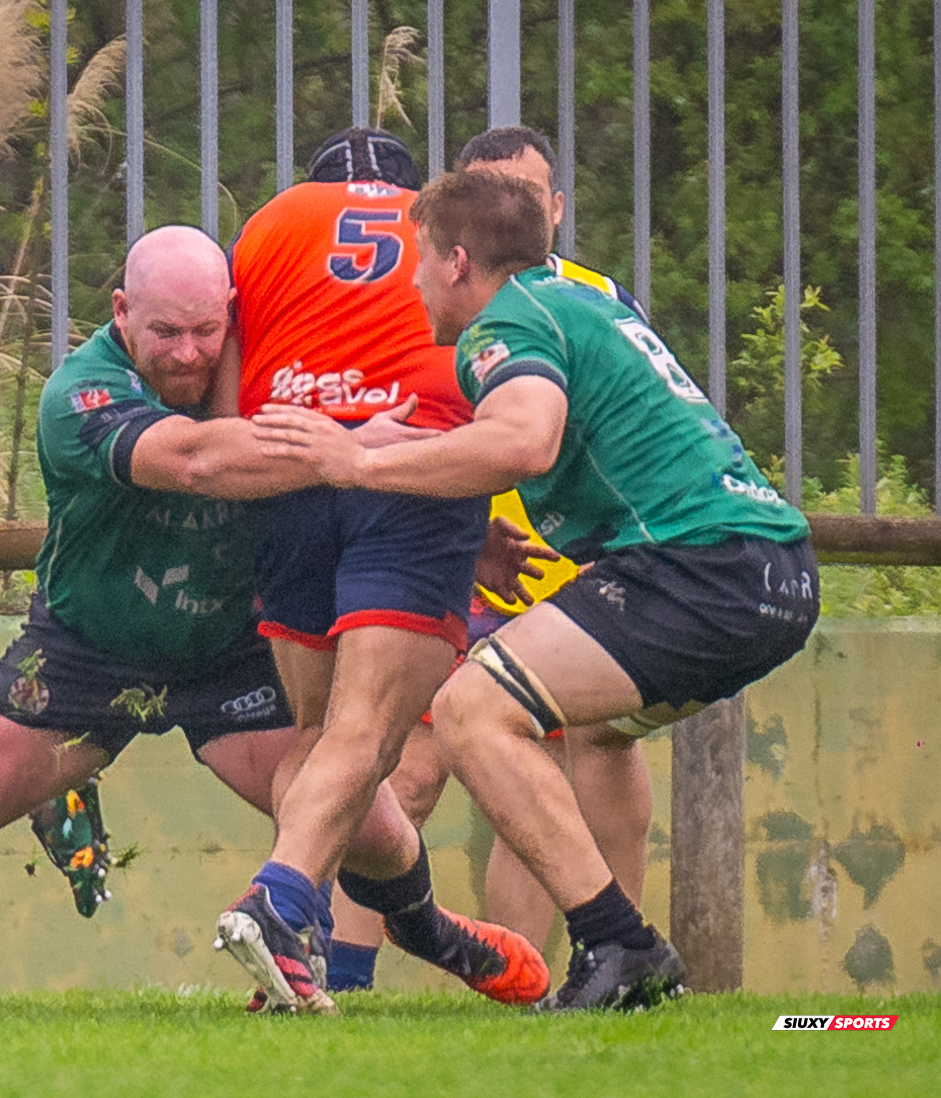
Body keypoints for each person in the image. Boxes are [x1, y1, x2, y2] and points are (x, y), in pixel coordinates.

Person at [0, 226, 509, 1013]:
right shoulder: (80, 392)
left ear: (233, 316)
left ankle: (426, 930)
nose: (187, 353)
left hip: (231, 657)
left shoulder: (266, 370)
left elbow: (338, 487)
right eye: (165, 332)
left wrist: (437, 517)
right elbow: (197, 460)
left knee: (370, 823)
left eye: (206, 331)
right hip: (86, 654)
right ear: (121, 313)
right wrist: (360, 447)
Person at [253, 169, 817, 1010]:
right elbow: (500, 433)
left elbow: (522, 440)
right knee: (556, 727)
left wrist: (359, 462)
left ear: (455, 261)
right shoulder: (571, 302)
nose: (408, 283)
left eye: (415, 262)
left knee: (477, 708)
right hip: (767, 576)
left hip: (701, 568)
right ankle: (621, 948)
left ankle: (621, 944)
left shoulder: (503, 322)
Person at [211, 129, 548, 1012]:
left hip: (288, 469)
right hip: (417, 478)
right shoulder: (440, 231)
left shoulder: (271, 222)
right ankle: (280, 905)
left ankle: (301, 947)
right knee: (370, 740)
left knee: (319, 735)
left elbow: (225, 382)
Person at [324, 126, 658, 982]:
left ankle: (592, 963)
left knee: (594, 747)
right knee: (412, 760)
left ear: (552, 210)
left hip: (574, 565)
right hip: (457, 552)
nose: (512, 201)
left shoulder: (591, 297)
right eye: (492, 186)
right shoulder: (437, 294)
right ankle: (344, 970)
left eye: (529, 190)